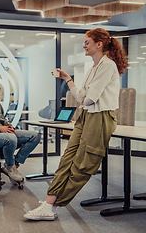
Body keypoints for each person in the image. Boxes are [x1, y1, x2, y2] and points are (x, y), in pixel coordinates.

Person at [24, 28, 128, 221]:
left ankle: (52, 203)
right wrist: (67, 79)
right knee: (67, 159)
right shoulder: (92, 69)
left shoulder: (108, 66)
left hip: (100, 117)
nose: (83, 46)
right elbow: (82, 98)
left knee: (83, 164)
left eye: (87, 42)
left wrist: (84, 98)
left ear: (99, 44)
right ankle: (49, 202)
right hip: (86, 116)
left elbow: (89, 99)